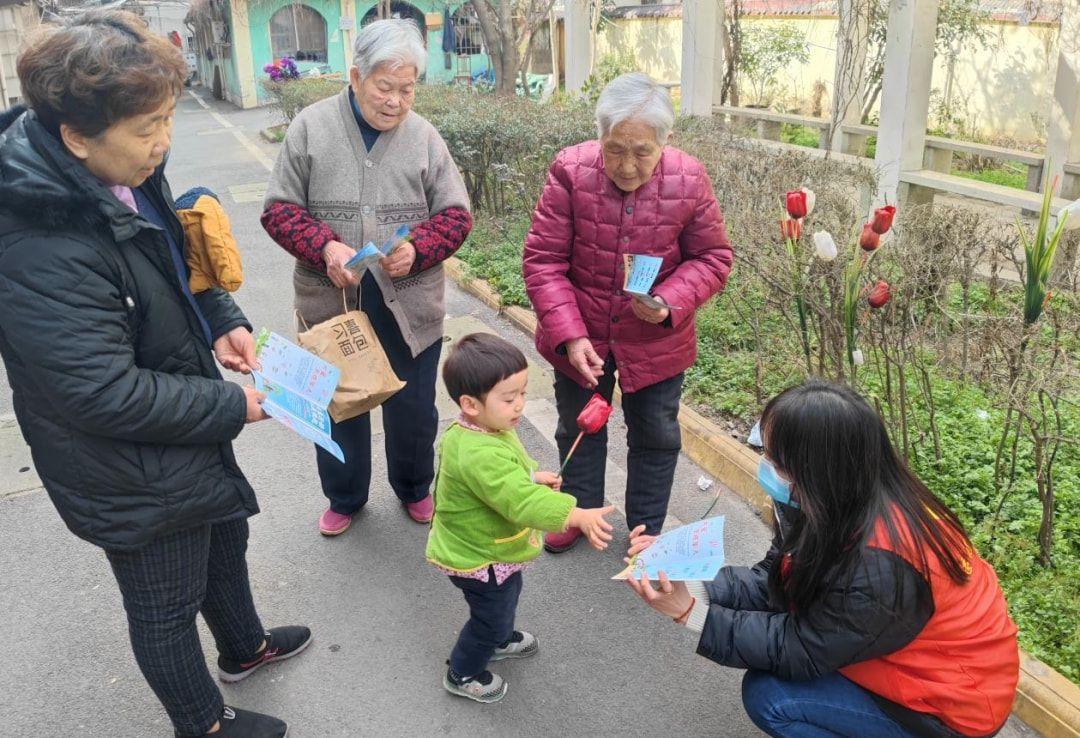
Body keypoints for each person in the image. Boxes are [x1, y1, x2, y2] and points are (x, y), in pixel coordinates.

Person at [0, 12, 310, 737]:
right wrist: (234, 406)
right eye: (147, 130)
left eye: (167, 119)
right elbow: (98, 392)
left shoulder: (124, 170)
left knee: (225, 539)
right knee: (165, 602)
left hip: (181, 416)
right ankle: (202, 723)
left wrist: (222, 317)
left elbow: (174, 259)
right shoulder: (37, 242)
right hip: (125, 463)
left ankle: (244, 647)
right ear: (76, 136)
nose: (163, 142)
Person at [625, 380, 1020, 738]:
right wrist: (680, 573)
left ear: (816, 467)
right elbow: (775, 582)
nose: (767, 467)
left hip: (953, 707)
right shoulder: (841, 499)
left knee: (771, 697)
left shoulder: (879, 564)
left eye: (776, 460)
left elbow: (802, 649)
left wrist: (691, 612)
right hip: (914, 661)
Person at [262, 18, 472, 537]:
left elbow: (456, 215)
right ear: (355, 77)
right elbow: (278, 210)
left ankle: (415, 486)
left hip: (409, 303)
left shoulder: (425, 137)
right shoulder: (310, 127)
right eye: (385, 86)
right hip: (331, 301)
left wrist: (418, 249)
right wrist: (324, 246)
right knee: (337, 404)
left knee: (414, 408)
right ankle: (345, 495)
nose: (397, 101)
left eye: (408, 89)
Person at [522, 72, 733, 553]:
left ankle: (646, 529)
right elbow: (544, 260)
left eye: (642, 151)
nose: (627, 165)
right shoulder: (570, 171)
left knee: (656, 433)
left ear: (666, 141)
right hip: (583, 333)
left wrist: (669, 303)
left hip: (656, 340)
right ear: (599, 135)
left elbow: (713, 257)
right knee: (579, 424)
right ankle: (578, 512)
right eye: (615, 149)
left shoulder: (689, 177)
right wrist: (571, 336)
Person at [426, 333, 614, 703]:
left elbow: (504, 479)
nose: (520, 406)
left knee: (506, 596)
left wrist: (532, 475)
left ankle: (498, 637)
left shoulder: (482, 430)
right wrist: (575, 515)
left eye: (524, 394)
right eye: (510, 398)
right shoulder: (479, 452)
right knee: (490, 614)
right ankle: (463, 672)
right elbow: (519, 502)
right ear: (470, 404)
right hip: (477, 555)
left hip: (489, 550)